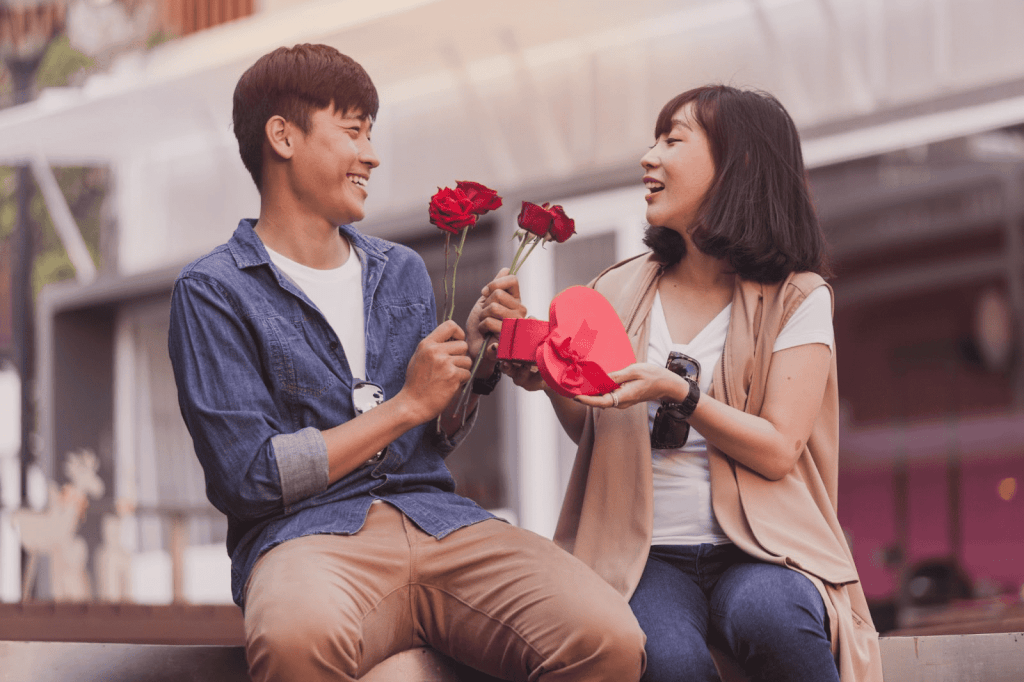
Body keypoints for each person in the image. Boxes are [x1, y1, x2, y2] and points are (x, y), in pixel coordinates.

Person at [167, 43, 645, 682]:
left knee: (608, 636)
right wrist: (406, 405)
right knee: (293, 640)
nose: (372, 154)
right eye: (353, 131)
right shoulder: (214, 290)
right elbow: (248, 476)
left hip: (440, 522)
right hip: (309, 541)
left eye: (373, 132)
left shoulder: (401, 272)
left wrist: (471, 365)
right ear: (282, 136)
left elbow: (430, 440)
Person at [503, 85, 883, 682]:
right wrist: (548, 379)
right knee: (665, 661)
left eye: (672, 140)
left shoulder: (798, 296)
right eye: (654, 139)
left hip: (764, 552)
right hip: (643, 555)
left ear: (740, 165)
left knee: (776, 618)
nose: (647, 157)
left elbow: (780, 448)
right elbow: (595, 431)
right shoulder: (616, 289)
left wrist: (680, 393)